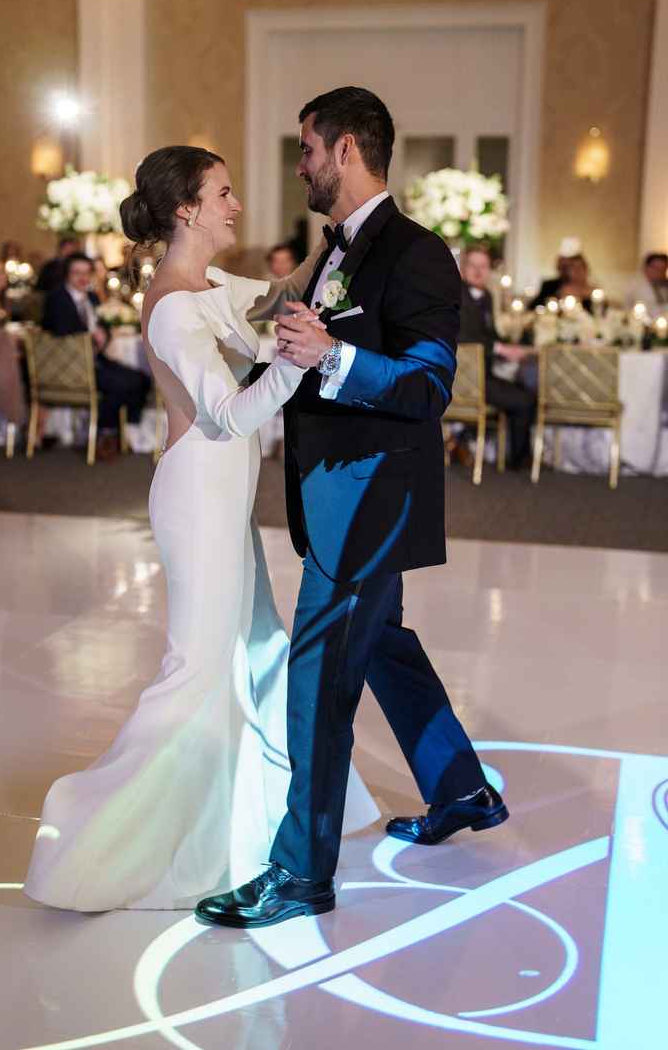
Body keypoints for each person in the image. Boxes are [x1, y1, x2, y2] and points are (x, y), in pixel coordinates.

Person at [23, 145, 378, 912]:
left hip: (224, 496)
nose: (235, 205)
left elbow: (276, 294)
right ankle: (95, 844)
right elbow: (230, 412)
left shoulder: (210, 284)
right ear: (186, 209)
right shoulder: (177, 306)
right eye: (223, 192)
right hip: (196, 497)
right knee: (196, 668)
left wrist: (337, 242)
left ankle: (308, 811)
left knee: (262, 649)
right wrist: (295, 358)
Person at [197, 87, 508, 931]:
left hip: (371, 500)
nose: (298, 164)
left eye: (305, 148)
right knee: (383, 649)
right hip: (335, 495)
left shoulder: (417, 254)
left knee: (319, 674)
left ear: (343, 150)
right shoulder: (328, 252)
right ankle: (461, 786)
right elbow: (270, 319)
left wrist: (334, 356)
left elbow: (430, 385)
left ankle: (301, 872)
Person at [42, 253, 151, 460]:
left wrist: (104, 334)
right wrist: (91, 335)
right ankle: (105, 432)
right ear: (67, 275)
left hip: (96, 360)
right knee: (122, 385)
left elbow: (102, 327)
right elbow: (60, 330)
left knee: (141, 379)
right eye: (76, 273)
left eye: (86, 273)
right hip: (68, 365)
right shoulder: (57, 298)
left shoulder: (91, 297)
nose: (82, 278)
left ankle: (116, 431)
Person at [458, 245, 535, 469]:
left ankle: (514, 455)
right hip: (467, 380)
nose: (479, 271)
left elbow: (489, 335)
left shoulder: (488, 296)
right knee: (525, 400)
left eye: (483, 266)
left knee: (524, 387)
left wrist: (513, 345)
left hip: (485, 373)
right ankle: (518, 462)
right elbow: (464, 336)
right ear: (463, 269)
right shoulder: (456, 294)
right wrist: (501, 349)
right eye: (473, 266)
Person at [624, 252, 668, 318]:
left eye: (663, 269)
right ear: (646, 267)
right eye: (656, 268)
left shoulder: (664, 285)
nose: (659, 272)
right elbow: (649, 312)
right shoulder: (636, 286)